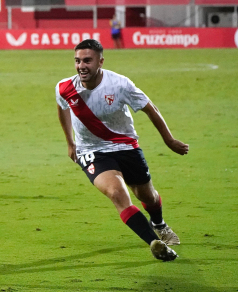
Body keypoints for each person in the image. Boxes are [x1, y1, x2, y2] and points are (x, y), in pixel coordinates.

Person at [56, 39, 189, 261]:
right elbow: (62, 108)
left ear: (100, 61)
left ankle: (159, 224)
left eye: (87, 60)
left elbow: (151, 109)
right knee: (117, 193)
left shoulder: (120, 84)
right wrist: (70, 143)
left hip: (126, 146)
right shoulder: (65, 87)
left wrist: (169, 140)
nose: (81, 66)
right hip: (92, 151)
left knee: (147, 195)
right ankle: (155, 243)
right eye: (77, 61)